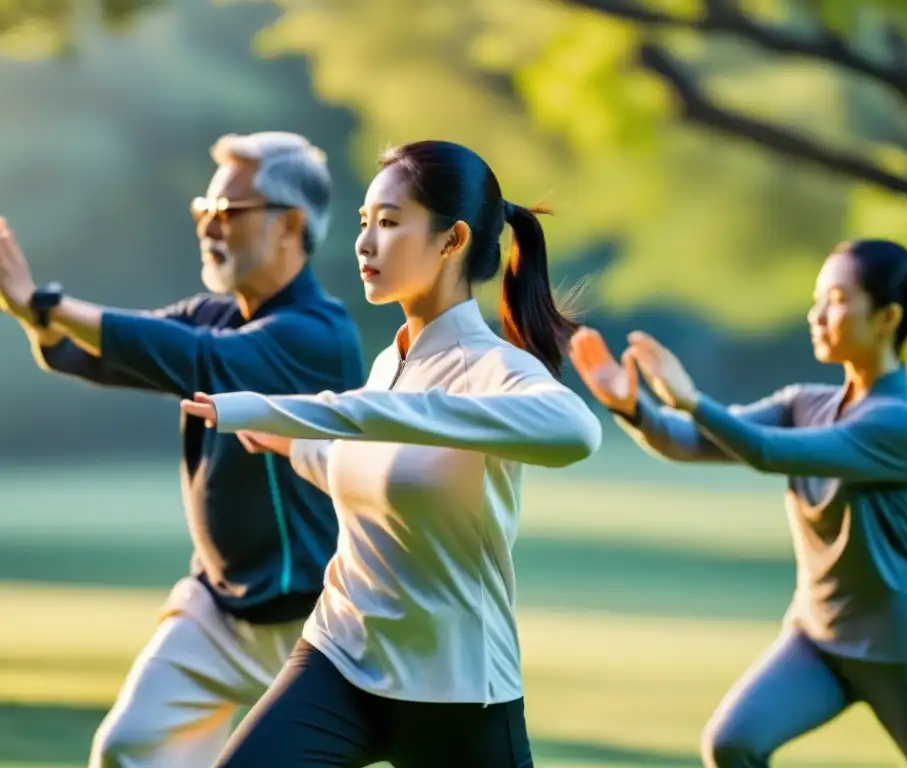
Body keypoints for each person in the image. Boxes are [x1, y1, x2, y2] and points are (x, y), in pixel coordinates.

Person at [180, 139, 602, 767]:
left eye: (389, 223)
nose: (365, 243)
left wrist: (284, 408)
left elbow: (577, 433)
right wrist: (294, 443)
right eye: (364, 224)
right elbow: (367, 469)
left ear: (451, 240)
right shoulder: (389, 364)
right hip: (340, 657)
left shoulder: (496, 368)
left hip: (456, 689)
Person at [0, 131, 366, 768]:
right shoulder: (214, 315)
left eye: (228, 213)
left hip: (316, 623)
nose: (209, 226)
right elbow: (95, 353)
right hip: (216, 610)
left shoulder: (317, 335)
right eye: (205, 210)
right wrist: (37, 317)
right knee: (126, 752)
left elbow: (195, 359)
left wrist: (45, 302)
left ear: (290, 227)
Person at [569, 239, 907, 768]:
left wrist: (693, 399)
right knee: (732, 744)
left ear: (887, 318)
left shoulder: (905, 422)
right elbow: (691, 440)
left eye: (835, 300)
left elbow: (768, 453)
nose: (817, 315)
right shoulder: (803, 404)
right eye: (817, 299)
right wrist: (632, 406)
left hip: (899, 650)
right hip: (818, 638)